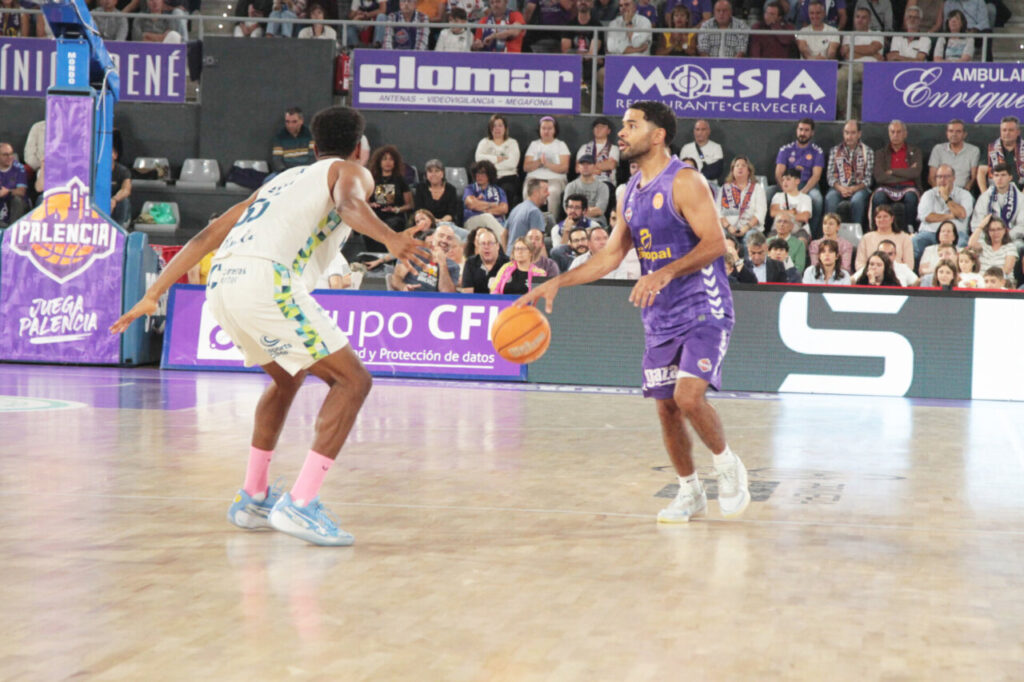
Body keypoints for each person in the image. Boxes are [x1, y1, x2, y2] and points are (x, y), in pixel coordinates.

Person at [111, 106, 429, 546]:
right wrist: (392, 238)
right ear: (360, 148)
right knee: (354, 381)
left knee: (287, 378)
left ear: (312, 147)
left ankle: (254, 497)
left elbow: (206, 237)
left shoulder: (277, 182)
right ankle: (301, 504)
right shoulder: (351, 170)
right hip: (267, 281)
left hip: (221, 283)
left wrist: (154, 292)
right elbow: (351, 204)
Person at [517, 101, 751, 523]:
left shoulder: (685, 181)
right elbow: (608, 258)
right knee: (665, 407)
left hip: (703, 306)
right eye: (622, 126)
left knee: (687, 395)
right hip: (659, 315)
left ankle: (727, 464)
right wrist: (558, 281)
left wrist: (663, 272)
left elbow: (716, 243)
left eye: (631, 125)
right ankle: (689, 492)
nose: (621, 133)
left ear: (658, 135)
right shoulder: (629, 193)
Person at [771, 118, 825, 237]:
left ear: (812, 133)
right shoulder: (786, 149)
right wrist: (786, 189)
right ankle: (770, 231)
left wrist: (802, 193)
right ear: (797, 130)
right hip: (787, 184)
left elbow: (816, 176)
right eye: (800, 129)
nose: (803, 133)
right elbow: (778, 173)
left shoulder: (817, 151)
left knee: (817, 199)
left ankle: (813, 236)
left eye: (806, 130)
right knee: (769, 192)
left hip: (808, 185)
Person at [914, 164, 973, 262]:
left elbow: (962, 214)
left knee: (963, 243)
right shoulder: (928, 194)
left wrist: (946, 197)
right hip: (930, 232)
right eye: (939, 177)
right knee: (915, 241)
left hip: (956, 233)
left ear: (953, 178)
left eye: (946, 176)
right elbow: (927, 217)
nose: (942, 179)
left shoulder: (964, 194)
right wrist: (951, 215)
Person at [871, 119, 923, 232]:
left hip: (909, 187)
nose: (895, 135)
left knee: (911, 197)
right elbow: (880, 177)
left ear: (905, 134)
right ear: (889, 133)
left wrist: (892, 171)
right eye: (892, 132)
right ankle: (878, 229)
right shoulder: (880, 153)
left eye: (899, 132)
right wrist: (906, 172)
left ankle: (910, 229)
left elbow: (915, 173)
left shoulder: (915, 151)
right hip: (886, 187)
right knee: (879, 196)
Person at [824, 119, 873, 227]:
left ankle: (857, 234)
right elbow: (830, 176)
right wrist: (841, 188)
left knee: (857, 200)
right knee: (830, 198)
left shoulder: (867, 151)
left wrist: (853, 189)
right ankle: (829, 233)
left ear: (859, 134)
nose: (849, 136)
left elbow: (868, 178)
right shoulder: (835, 150)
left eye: (852, 133)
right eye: (846, 132)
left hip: (859, 188)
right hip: (838, 187)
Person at [836, 8, 883, 119]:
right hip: (851, 66)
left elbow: (873, 48)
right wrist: (872, 54)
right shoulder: (848, 35)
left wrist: (851, 48)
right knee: (838, 77)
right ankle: (844, 111)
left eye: (863, 17)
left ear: (869, 20)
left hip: (872, 68)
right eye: (857, 17)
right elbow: (847, 55)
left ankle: (874, 114)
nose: (860, 20)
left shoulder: (877, 34)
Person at [391, 220, 460, 292]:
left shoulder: (454, 266)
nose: (444, 240)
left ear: (453, 243)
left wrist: (442, 263)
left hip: (434, 302)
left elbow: (447, 294)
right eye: (441, 236)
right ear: (433, 237)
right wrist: (404, 287)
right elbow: (396, 279)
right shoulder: (414, 251)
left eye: (449, 238)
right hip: (410, 297)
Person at [523, 116, 570, 220]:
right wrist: (540, 161)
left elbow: (564, 167)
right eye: (543, 128)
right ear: (539, 130)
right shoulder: (534, 145)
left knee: (553, 193)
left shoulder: (561, 145)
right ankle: (529, 221)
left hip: (555, 179)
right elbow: (526, 167)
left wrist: (547, 164)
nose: (546, 131)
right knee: (528, 191)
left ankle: (552, 224)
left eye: (549, 128)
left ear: (554, 130)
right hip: (534, 179)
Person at [367, 145, 414, 248]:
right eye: (384, 159)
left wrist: (396, 209)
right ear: (379, 162)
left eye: (391, 159)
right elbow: (365, 202)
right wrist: (371, 204)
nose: (388, 162)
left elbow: (410, 205)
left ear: (395, 162)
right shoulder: (372, 180)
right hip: (375, 216)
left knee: (390, 225)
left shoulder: (400, 180)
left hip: (394, 217)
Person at [474, 114, 522, 208]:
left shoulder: (512, 143)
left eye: (500, 125)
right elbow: (478, 159)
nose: (497, 129)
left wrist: (489, 164)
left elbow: (512, 163)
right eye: (494, 126)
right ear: (490, 129)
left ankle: (505, 219)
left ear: (505, 128)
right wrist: (497, 159)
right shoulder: (484, 142)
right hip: (488, 177)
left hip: (508, 177)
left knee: (506, 190)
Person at [971, 163, 1024, 245]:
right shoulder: (984, 197)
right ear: (992, 178)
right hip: (987, 238)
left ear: (1010, 177)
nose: (999, 178)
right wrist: (990, 237)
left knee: (1019, 245)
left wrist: (1006, 236)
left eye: (1003, 175)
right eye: (996, 175)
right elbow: (976, 223)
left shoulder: (1021, 198)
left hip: (1011, 239)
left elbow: (1022, 225)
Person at [719, 156, 767, 244]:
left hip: (751, 228)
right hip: (728, 228)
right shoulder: (725, 188)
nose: (740, 167)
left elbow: (760, 213)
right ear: (732, 171)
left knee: (751, 239)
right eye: (737, 165)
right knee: (720, 237)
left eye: (743, 165)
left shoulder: (757, 189)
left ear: (749, 171)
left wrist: (746, 227)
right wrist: (728, 226)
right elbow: (718, 213)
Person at [567, 225, 641, 279]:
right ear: (589, 243)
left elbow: (619, 288)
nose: (603, 242)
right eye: (598, 239)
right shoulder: (578, 262)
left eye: (605, 238)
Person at [928, 119, 980, 192]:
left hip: (962, 190)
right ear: (947, 133)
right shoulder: (938, 149)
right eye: (951, 131)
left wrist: (965, 192)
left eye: (958, 131)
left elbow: (973, 178)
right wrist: (940, 192)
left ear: (964, 134)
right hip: (941, 190)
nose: (954, 134)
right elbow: (931, 178)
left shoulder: (973, 150)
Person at [857, 204, 913, 270]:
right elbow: (859, 263)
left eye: (885, 216)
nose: (882, 219)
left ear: (892, 219)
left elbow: (909, 264)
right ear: (875, 219)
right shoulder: (866, 238)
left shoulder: (904, 237)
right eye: (879, 217)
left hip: (897, 275)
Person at [977, 116, 1024, 194]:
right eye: (1004, 130)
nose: (1007, 133)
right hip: (995, 193)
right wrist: (985, 195)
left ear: (1018, 132)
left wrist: (1022, 198)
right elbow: (981, 173)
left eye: (1011, 130)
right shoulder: (990, 148)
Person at [462, 159, 509, 234]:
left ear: (489, 175)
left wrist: (482, 207)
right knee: (487, 217)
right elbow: (471, 204)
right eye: (477, 173)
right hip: (472, 221)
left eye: (482, 173)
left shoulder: (498, 190)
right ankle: (506, 243)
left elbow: (504, 209)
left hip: (496, 222)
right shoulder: (470, 188)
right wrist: (492, 205)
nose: (479, 176)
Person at [577, 117, 620, 197]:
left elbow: (611, 165)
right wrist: (599, 167)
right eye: (596, 127)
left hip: (605, 181)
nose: (598, 129)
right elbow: (577, 168)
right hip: (584, 180)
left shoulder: (613, 148)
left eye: (602, 127)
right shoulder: (584, 147)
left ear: (608, 131)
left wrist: (587, 167)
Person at [968, 215, 1018, 285]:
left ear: (1004, 230)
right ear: (988, 232)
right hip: (982, 282)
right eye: (992, 230)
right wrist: (981, 226)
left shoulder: (1010, 247)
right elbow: (971, 244)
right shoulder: (983, 245)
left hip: (1002, 283)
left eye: (999, 229)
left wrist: (991, 280)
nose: (996, 233)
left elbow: (1007, 270)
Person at [563, 156, 610, 227]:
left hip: (597, 223)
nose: (585, 166)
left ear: (594, 167)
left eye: (588, 164)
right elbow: (567, 209)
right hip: (574, 222)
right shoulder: (571, 186)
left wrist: (577, 210)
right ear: (578, 167)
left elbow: (599, 211)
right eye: (582, 164)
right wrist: (590, 209)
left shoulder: (603, 187)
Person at [460, 225, 509, 293]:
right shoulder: (470, 263)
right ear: (478, 247)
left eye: (490, 243)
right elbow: (467, 295)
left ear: (497, 246)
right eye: (483, 244)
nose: (486, 247)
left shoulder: (508, 264)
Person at [414, 159, 462, 225]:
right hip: (424, 223)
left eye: (437, 171)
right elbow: (419, 210)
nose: (433, 174)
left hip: (445, 223)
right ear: (426, 174)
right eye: (430, 171)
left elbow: (452, 213)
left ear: (442, 173)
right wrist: (433, 221)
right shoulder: (420, 188)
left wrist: (441, 221)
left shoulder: (451, 189)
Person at [678, 119, 724, 188]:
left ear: (708, 131)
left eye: (703, 129)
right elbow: (680, 169)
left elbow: (716, 171)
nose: (700, 132)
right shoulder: (686, 148)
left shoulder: (716, 148)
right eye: (697, 129)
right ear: (694, 131)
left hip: (709, 186)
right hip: (689, 185)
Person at [504, 178, 547, 248]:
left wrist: (508, 253)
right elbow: (538, 244)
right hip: (524, 256)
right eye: (545, 191)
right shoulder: (534, 212)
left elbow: (503, 235)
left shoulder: (516, 208)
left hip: (512, 256)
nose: (548, 193)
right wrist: (545, 259)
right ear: (536, 193)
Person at [770, 169, 813, 239]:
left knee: (802, 240)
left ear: (797, 181)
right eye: (783, 180)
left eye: (788, 179)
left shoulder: (805, 198)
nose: (784, 182)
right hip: (779, 230)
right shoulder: (778, 196)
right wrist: (792, 212)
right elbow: (773, 213)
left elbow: (804, 217)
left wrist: (782, 214)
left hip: (798, 231)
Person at [271, 108, 316, 174]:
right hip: (286, 172)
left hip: (306, 172)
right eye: (287, 121)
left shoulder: (310, 135)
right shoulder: (280, 137)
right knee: (267, 181)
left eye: (294, 122)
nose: (290, 125)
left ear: (301, 121)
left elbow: (313, 157)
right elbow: (277, 159)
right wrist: (284, 172)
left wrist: (304, 172)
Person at [0, 142, 28, 228]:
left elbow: (21, 192)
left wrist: (7, 191)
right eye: (5, 155)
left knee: (17, 200)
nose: (10, 157)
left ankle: (12, 230)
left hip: (15, 205)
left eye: (11, 154)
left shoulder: (19, 168)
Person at [110, 147, 133, 228]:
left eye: (110, 152)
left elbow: (126, 190)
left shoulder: (123, 171)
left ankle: (120, 226)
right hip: (100, 201)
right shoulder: (95, 170)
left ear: (115, 155)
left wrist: (114, 200)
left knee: (124, 200)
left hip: (116, 204)